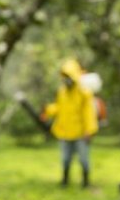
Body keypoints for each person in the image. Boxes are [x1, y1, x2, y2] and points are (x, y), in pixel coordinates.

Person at [41, 59, 99, 187]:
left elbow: (89, 113)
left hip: (81, 133)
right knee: (65, 159)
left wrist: (89, 131)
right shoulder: (62, 92)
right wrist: (48, 110)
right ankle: (65, 181)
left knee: (83, 159)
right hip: (65, 132)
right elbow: (59, 108)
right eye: (64, 77)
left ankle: (86, 182)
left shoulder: (84, 93)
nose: (66, 80)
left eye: (68, 76)